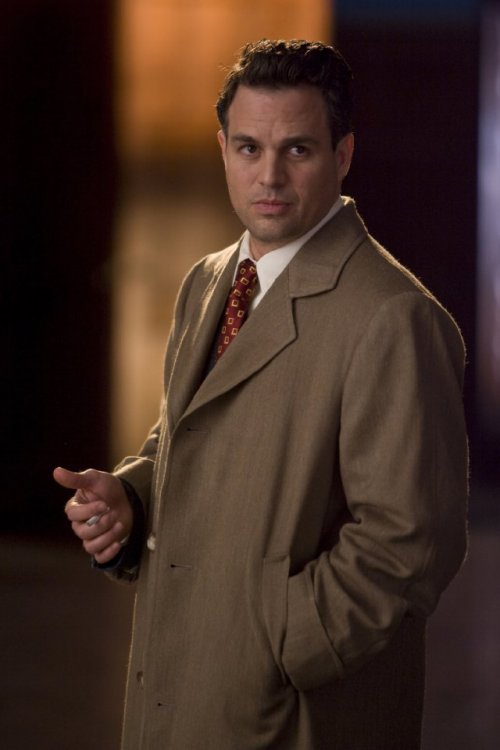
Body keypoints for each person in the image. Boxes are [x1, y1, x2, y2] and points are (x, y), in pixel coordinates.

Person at [54, 39, 468, 750]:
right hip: (176, 687)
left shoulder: (393, 316)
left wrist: (277, 643)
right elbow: (186, 442)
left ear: (342, 155)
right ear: (224, 150)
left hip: (292, 710)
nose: (269, 175)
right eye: (249, 148)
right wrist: (132, 498)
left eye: (297, 150)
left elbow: (408, 545)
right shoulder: (207, 280)